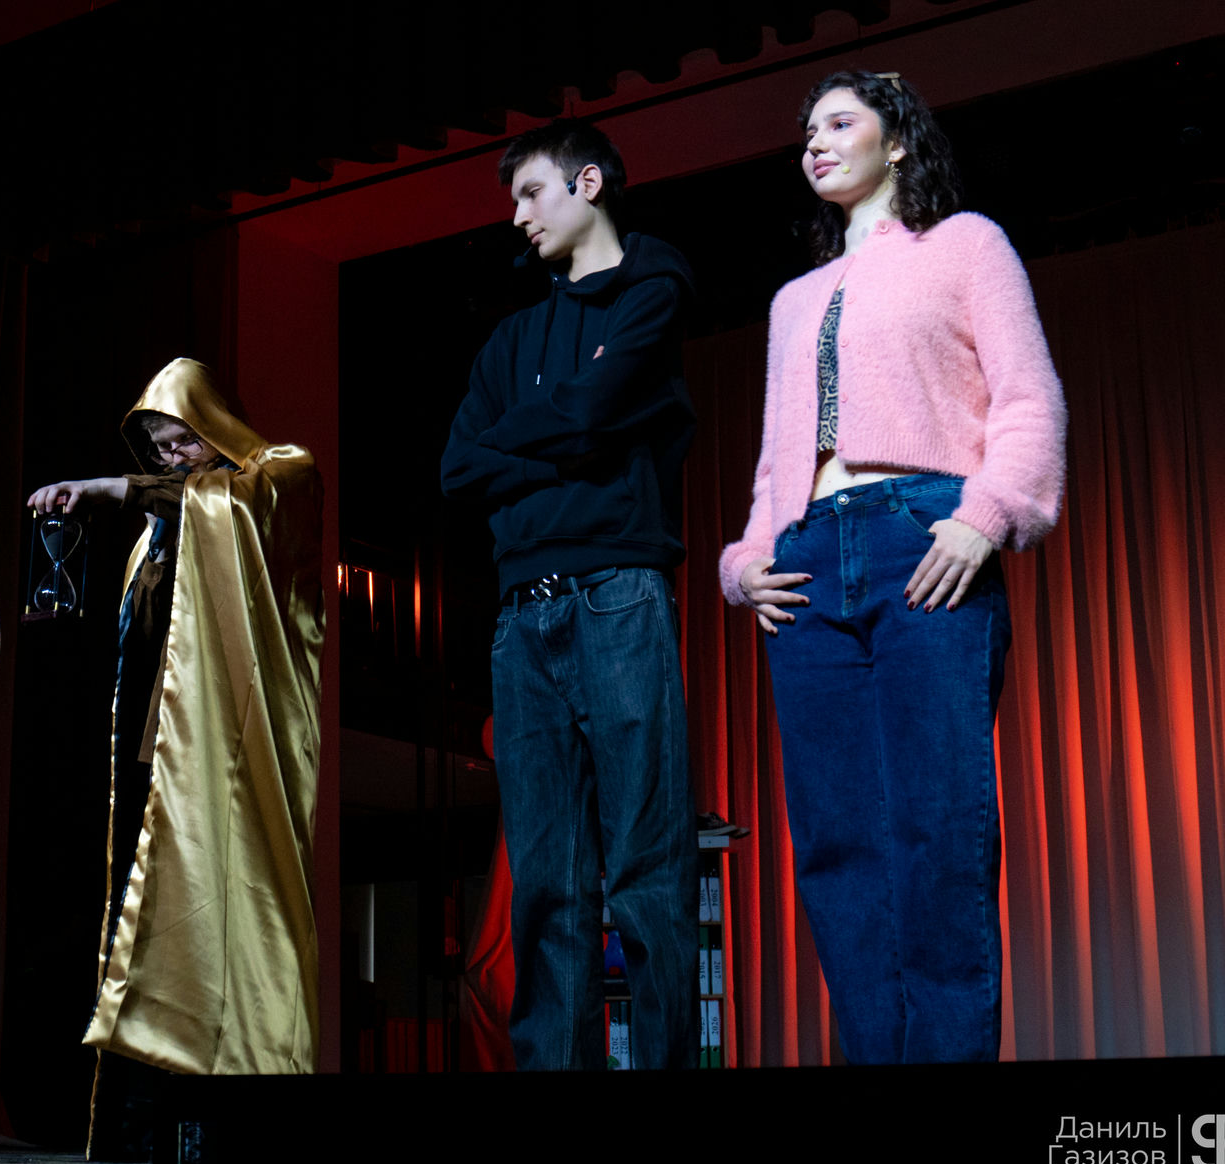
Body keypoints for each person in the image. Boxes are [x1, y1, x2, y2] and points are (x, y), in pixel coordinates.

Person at [719, 70, 1066, 1063]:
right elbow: (777, 458)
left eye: (841, 122)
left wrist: (984, 516)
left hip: (920, 535)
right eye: (807, 131)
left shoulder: (964, 245)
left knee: (937, 826)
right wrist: (746, 560)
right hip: (805, 561)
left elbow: (1027, 398)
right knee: (836, 843)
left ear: (898, 140)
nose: (816, 143)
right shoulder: (793, 301)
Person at [440, 118, 699, 1072]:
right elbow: (458, 469)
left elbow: (592, 413)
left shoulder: (650, 293)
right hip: (521, 616)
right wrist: (569, 440)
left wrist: (536, 437)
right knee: (547, 883)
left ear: (588, 183)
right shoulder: (511, 340)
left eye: (531, 193)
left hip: (617, 598)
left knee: (646, 869)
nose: (517, 217)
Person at [26, 358, 325, 1152]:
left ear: (216, 426)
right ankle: (140, 1123)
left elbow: (238, 507)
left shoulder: (280, 474)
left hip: (233, 764)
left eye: (182, 441)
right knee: (149, 930)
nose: (170, 459)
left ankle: (235, 1123)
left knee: (228, 923)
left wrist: (112, 488)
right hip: (158, 763)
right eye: (158, 448)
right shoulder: (153, 539)